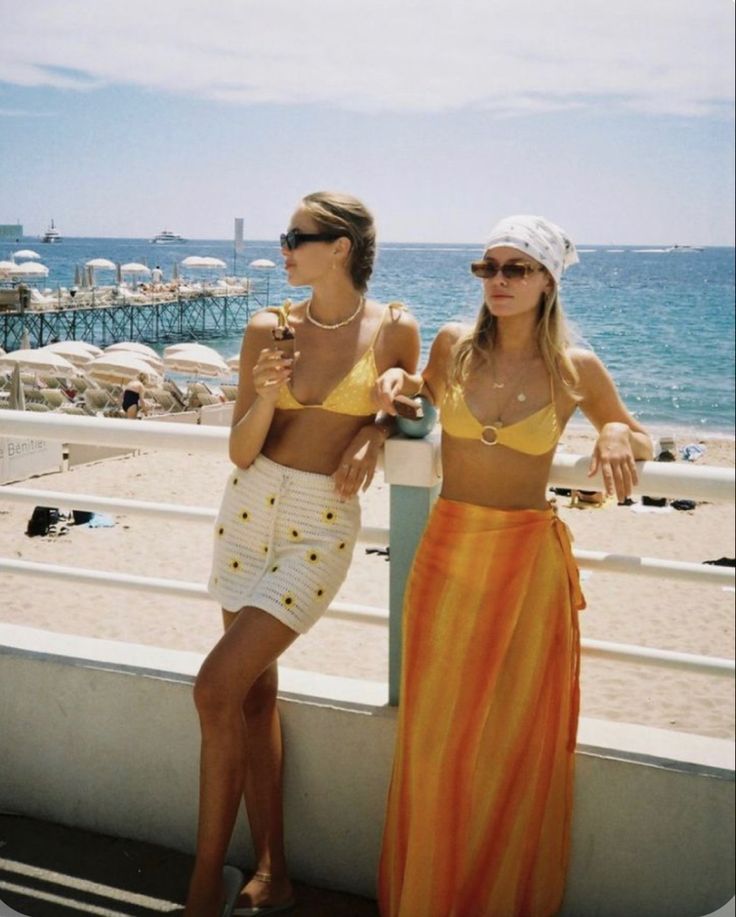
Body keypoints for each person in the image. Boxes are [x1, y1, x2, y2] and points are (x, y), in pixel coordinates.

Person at [374, 215, 653, 917]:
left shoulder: (575, 368)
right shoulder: (456, 345)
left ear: (547, 280)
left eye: (515, 268)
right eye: (487, 267)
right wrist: (395, 387)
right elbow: (422, 397)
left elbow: (637, 432)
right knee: (436, 748)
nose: (497, 280)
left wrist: (616, 428)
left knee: (509, 754)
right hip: (446, 556)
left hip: (526, 570)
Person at [184, 191, 420, 917]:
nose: (281, 248)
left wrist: (377, 429)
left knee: (214, 687)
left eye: (296, 236)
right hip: (250, 507)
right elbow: (240, 447)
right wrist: (263, 394)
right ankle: (272, 871)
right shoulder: (269, 326)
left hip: (319, 527)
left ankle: (200, 887)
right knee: (252, 693)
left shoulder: (394, 329)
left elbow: (421, 395)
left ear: (341, 246)